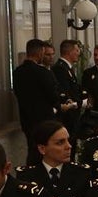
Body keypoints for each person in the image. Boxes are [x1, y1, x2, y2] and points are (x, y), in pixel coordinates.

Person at [13, 37, 63, 165]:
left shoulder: (17, 73)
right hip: (45, 119)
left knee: (32, 149)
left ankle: (30, 174)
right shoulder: (43, 73)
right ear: (40, 52)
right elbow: (54, 96)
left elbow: (17, 94)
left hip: (27, 120)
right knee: (45, 152)